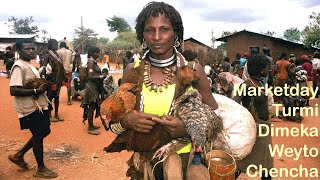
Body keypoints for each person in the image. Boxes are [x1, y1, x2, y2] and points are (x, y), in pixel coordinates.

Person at [112, 2, 219, 179]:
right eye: (149, 30)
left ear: (175, 33)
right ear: (142, 34)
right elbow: (113, 117)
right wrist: (126, 120)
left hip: (183, 164)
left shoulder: (192, 71)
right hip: (144, 165)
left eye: (164, 29)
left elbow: (215, 117)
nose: (156, 36)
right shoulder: (133, 70)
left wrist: (187, 129)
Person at [8, 39, 58, 178]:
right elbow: (13, 90)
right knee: (38, 135)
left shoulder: (29, 64)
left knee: (44, 131)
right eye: (27, 49)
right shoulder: (19, 66)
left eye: (32, 48)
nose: (31, 51)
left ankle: (19, 155)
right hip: (29, 107)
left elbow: (31, 84)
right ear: (19, 51)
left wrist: (44, 86)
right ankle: (40, 169)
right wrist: (36, 91)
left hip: (37, 105)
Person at [234, 54, 274, 180]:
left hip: (264, 129)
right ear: (261, 70)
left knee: (266, 164)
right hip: (254, 129)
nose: (269, 70)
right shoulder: (246, 86)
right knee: (242, 162)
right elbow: (234, 106)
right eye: (267, 68)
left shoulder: (259, 85)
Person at [81, 46, 105, 135]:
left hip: (94, 87)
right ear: (92, 53)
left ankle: (91, 125)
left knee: (93, 106)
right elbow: (90, 76)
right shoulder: (91, 62)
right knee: (91, 107)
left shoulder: (93, 62)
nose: (98, 54)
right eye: (96, 52)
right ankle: (90, 128)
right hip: (91, 87)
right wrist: (101, 77)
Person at [41, 39, 66, 122]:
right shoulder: (47, 55)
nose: (56, 46)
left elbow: (61, 67)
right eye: (54, 44)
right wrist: (45, 79)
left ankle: (56, 114)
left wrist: (63, 76)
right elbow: (44, 68)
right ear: (50, 45)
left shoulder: (57, 55)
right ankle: (49, 115)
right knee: (50, 97)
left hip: (58, 80)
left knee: (57, 97)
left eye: (56, 44)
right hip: (51, 80)